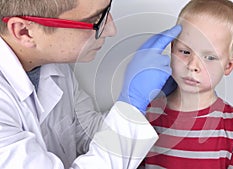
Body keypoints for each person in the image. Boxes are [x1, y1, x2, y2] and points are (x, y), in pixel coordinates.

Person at [0, 0, 182, 168]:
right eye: (95, 19)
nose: (111, 30)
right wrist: (131, 104)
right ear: (24, 31)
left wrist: (144, 105)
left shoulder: (52, 66)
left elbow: (87, 133)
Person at [142, 0, 233, 168]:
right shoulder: (147, 117)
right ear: (172, 49)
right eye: (185, 52)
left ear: (229, 65)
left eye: (209, 57)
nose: (193, 65)